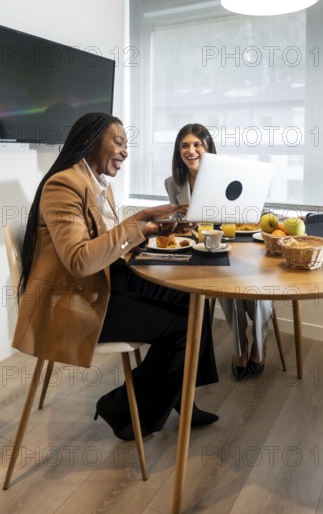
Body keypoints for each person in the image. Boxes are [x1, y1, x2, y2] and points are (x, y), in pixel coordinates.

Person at [13, 112, 219, 441]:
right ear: (88, 142)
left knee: (192, 296)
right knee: (183, 326)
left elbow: (110, 245)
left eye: (127, 145)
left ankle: (178, 394)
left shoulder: (100, 186)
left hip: (102, 282)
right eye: (119, 142)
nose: (125, 152)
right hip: (72, 302)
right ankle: (123, 408)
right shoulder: (63, 185)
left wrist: (150, 222)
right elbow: (80, 260)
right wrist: (139, 224)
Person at [165, 123, 274, 381]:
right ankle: (241, 346)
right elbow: (180, 223)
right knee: (227, 288)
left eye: (197, 145)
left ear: (207, 148)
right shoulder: (173, 183)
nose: (190, 150)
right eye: (184, 145)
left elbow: (253, 210)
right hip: (205, 249)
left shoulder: (228, 175)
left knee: (253, 289)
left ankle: (259, 342)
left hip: (240, 243)